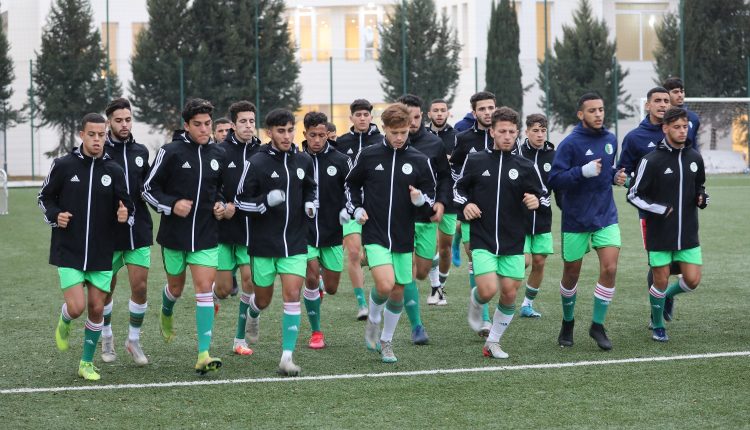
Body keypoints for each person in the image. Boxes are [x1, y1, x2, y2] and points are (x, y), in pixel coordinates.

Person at [39, 113, 134, 380]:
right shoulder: (64, 165)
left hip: (102, 252)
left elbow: (128, 205)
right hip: (68, 249)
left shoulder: (114, 170)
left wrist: (125, 214)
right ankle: (66, 318)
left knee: (96, 307)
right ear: (81, 135)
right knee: (78, 307)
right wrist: (55, 215)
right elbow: (44, 197)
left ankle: (86, 363)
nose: (97, 140)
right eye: (91, 134)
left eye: (101, 135)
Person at [344, 103, 436, 363]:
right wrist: (357, 208)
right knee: (384, 284)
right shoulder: (369, 155)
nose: (399, 138)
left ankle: (386, 340)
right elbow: (350, 185)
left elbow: (431, 200)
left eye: (404, 132)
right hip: (375, 233)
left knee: (398, 290)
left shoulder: (419, 160)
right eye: (394, 132)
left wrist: (420, 202)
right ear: (384, 129)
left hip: (404, 236)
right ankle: (373, 318)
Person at [143, 98, 228, 374]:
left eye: (208, 124)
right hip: (174, 236)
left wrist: (221, 204)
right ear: (186, 125)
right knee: (176, 289)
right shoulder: (170, 152)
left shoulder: (218, 155)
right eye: (198, 125)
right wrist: (171, 205)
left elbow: (222, 190)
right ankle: (166, 309)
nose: (205, 129)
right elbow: (147, 188)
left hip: (206, 235)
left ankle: (203, 353)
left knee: (205, 290)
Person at [454, 107, 542, 358]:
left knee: (510, 292)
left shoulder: (524, 165)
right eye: (501, 131)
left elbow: (541, 196)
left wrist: (535, 200)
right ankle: (476, 299)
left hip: (513, 239)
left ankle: (493, 342)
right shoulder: (476, 160)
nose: (507, 136)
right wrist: (466, 205)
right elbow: (458, 191)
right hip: (482, 238)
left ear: (517, 134)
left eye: (511, 132)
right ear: (492, 131)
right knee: (488, 289)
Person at [234, 108, 317, 376]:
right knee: (264, 298)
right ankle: (253, 314)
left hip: (295, 242)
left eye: (290, 130)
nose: (286, 135)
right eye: (280, 131)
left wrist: (310, 204)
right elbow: (240, 202)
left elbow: (310, 188)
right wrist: (264, 203)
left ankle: (287, 357)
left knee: (292, 295)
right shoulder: (256, 163)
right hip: (264, 244)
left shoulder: (304, 161)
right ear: (269, 133)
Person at [547, 92, 627, 351]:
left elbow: (607, 171)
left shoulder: (611, 139)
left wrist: (614, 176)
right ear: (581, 114)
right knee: (571, 274)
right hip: (576, 219)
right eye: (592, 110)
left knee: (610, 269)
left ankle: (597, 325)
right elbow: (555, 181)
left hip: (605, 216)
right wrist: (582, 172)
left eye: (601, 109)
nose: (599, 114)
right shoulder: (569, 144)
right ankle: (567, 322)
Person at [627, 107, 708, 342]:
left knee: (692, 280)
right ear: (665, 128)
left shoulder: (695, 157)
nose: (682, 131)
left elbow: (700, 186)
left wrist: (702, 198)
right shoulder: (651, 160)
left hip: (689, 233)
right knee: (660, 279)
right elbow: (633, 194)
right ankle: (657, 323)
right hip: (660, 233)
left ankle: (668, 298)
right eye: (677, 127)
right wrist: (659, 209)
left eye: (685, 127)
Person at [618, 87, 681, 323]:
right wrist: (627, 182)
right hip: (650, 212)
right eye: (657, 101)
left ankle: (666, 294)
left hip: (680, 211)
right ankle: (659, 307)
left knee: (681, 261)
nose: (663, 104)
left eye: (666, 100)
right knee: (657, 261)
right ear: (648, 105)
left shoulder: (678, 133)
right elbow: (622, 173)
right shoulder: (635, 137)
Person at [100, 98, 153, 366]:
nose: (124, 124)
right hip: (107, 232)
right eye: (119, 120)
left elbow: (149, 187)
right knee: (106, 287)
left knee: (140, 286)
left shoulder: (141, 151)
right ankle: (106, 336)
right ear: (108, 121)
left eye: (128, 119)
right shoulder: (99, 150)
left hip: (138, 229)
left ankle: (133, 340)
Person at [396, 94, 451, 344]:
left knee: (422, 272)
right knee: (406, 275)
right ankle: (417, 326)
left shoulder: (434, 144)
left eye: (417, 117)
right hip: (398, 220)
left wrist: (440, 202)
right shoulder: (389, 145)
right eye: (408, 117)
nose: (413, 122)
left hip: (426, 219)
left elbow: (445, 178)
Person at [211, 100, 262, 355]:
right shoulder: (220, 151)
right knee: (222, 289)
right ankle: (213, 294)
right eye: (243, 121)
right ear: (232, 125)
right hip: (223, 230)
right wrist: (220, 204)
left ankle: (239, 340)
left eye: (252, 121)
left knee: (249, 282)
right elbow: (211, 186)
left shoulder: (261, 152)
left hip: (250, 229)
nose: (248, 126)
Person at [301, 111, 351, 349]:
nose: (318, 140)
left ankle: (321, 287)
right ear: (305, 135)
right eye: (313, 135)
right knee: (310, 276)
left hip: (333, 232)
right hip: (304, 231)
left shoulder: (341, 160)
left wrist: (347, 209)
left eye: (322, 135)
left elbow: (352, 191)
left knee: (331, 288)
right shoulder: (296, 160)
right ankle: (316, 332)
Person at [450, 91, 498, 336]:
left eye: (491, 107)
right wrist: (466, 201)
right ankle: (485, 317)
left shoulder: (506, 134)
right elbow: (455, 170)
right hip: (473, 211)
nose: (487, 112)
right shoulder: (464, 138)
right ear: (474, 112)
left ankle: (483, 298)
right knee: (475, 258)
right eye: (482, 109)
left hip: (500, 213)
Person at [334, 99, 383, 320]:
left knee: (371, 256)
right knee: (353, 252)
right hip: (349, 206)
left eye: (366, 114)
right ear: (351, 118)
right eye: (358, 115)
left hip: (377, 207)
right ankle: (362, 304)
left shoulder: (382, 141)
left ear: (371, 117)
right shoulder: (342, 143)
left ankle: (378, 296)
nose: (362, 118)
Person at [516, 113, 555, 318]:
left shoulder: (553, 155)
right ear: (526, 132)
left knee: (539, 261)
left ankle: (526, 305)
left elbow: (558, 185)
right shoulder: (517, 154)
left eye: (542, 131)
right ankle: (504, 297)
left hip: (542, 217)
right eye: (535, 131)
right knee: (523, 262)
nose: (540, 135)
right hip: (519, 217)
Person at [426, 98, 459, 304]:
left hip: (450, 197)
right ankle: (434, 286)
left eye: (443, 110)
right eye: (435, 110)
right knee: (432, 245)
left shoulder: (457, 137)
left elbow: (463, 165)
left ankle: (441, 286)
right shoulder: (421, 137)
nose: (439, 114)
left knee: (445, 248)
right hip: (427, 197)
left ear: (448, 113)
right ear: (428, 114)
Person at [662, 77, 700, 149]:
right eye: (675, 92)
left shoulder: (693, 118)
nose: (680, 95)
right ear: (666, 94)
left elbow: (694, 145)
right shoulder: (661, 116)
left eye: (682, 91)